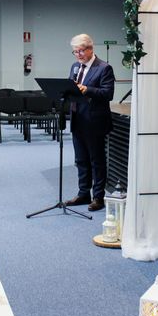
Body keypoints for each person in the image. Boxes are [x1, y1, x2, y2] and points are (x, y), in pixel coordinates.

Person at [64, 33, 115, 211]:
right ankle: (83, 193)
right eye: (75, 52)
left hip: (95, 121)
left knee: (96, 161)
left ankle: (98, 197)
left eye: (80, 51)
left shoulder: (104, 68)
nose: (78, 55)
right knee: (81, 160)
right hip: (78, 119)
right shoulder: (74, 67)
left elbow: (108, 94)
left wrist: (88, 89)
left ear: (90, 49)